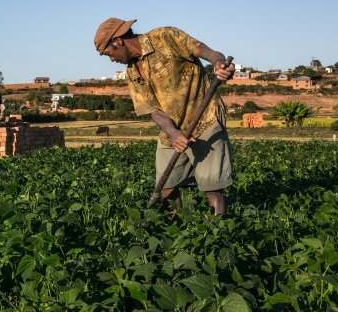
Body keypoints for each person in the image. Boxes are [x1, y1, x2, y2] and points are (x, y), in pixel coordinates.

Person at [93, 18, 235, 216]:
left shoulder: (165, 37)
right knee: (167, 187)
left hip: (204, 120)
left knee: (213, 188)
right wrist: (173, 133)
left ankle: (217, 235)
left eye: (108, 53)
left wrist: (219, 63)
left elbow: (208, 53)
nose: (111, 59)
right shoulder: (132, 73)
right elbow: (153, 110)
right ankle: (175, 239)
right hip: (171, 132)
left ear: (118, 41)